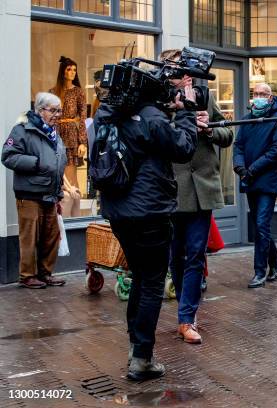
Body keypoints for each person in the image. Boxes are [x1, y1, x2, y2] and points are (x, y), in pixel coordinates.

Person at [94, 76, 197, 380]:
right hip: (150, 212)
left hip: (118, 212)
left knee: (139, 277)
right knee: (151, 283)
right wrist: (187, 112)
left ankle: (135, 347)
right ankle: (142, 358)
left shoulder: (106, 114)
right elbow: (184, 148)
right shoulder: (152, 117)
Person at [159, 49, 234, 344]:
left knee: (195, 255)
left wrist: (210, 129)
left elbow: (227, 135)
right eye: (181, 70)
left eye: (190, 70)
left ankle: (187, 318)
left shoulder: (204, 95)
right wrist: (184, 120)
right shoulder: (159, 101)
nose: (188, 75)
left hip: (203, 188)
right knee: (175, 257)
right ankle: (184, 309)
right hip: (172, 190)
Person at [2, 92, 67, 289]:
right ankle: (27, 276)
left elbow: (58, 164)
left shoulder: (55, 134)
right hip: (29, 193)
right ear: (40, 111)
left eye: (59, 110)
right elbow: (8, 156)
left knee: (51, 236)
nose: (57, 114)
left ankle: (45, 273)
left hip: (50, 193)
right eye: (53, 110)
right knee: (29, 237)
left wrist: (59, 195)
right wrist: (35, 163)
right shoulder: (22, 130)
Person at [233, 83, 277, 288]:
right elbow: (238, 145)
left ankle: (260, 272)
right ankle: (275, 264)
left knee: (261, 225)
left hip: (267, 181)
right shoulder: (247, 119)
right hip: (249, 178)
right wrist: (239, 167)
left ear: (271, 97)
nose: (258, 97)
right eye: (255, 94)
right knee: (260, 225)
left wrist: (253, 168)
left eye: (262, 94)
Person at [50, 56, 88, 195]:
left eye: (74, 70)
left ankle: (75, 213)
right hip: (56, 133)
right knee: (58, 175)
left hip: (72, 134)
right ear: (63, 72)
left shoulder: (78, 92)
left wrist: (82, 142)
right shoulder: (53, 92)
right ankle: (62, 211)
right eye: (69, 69)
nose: (73, 72)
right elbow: (48, 118)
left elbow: (83, 117)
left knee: (71, 176)